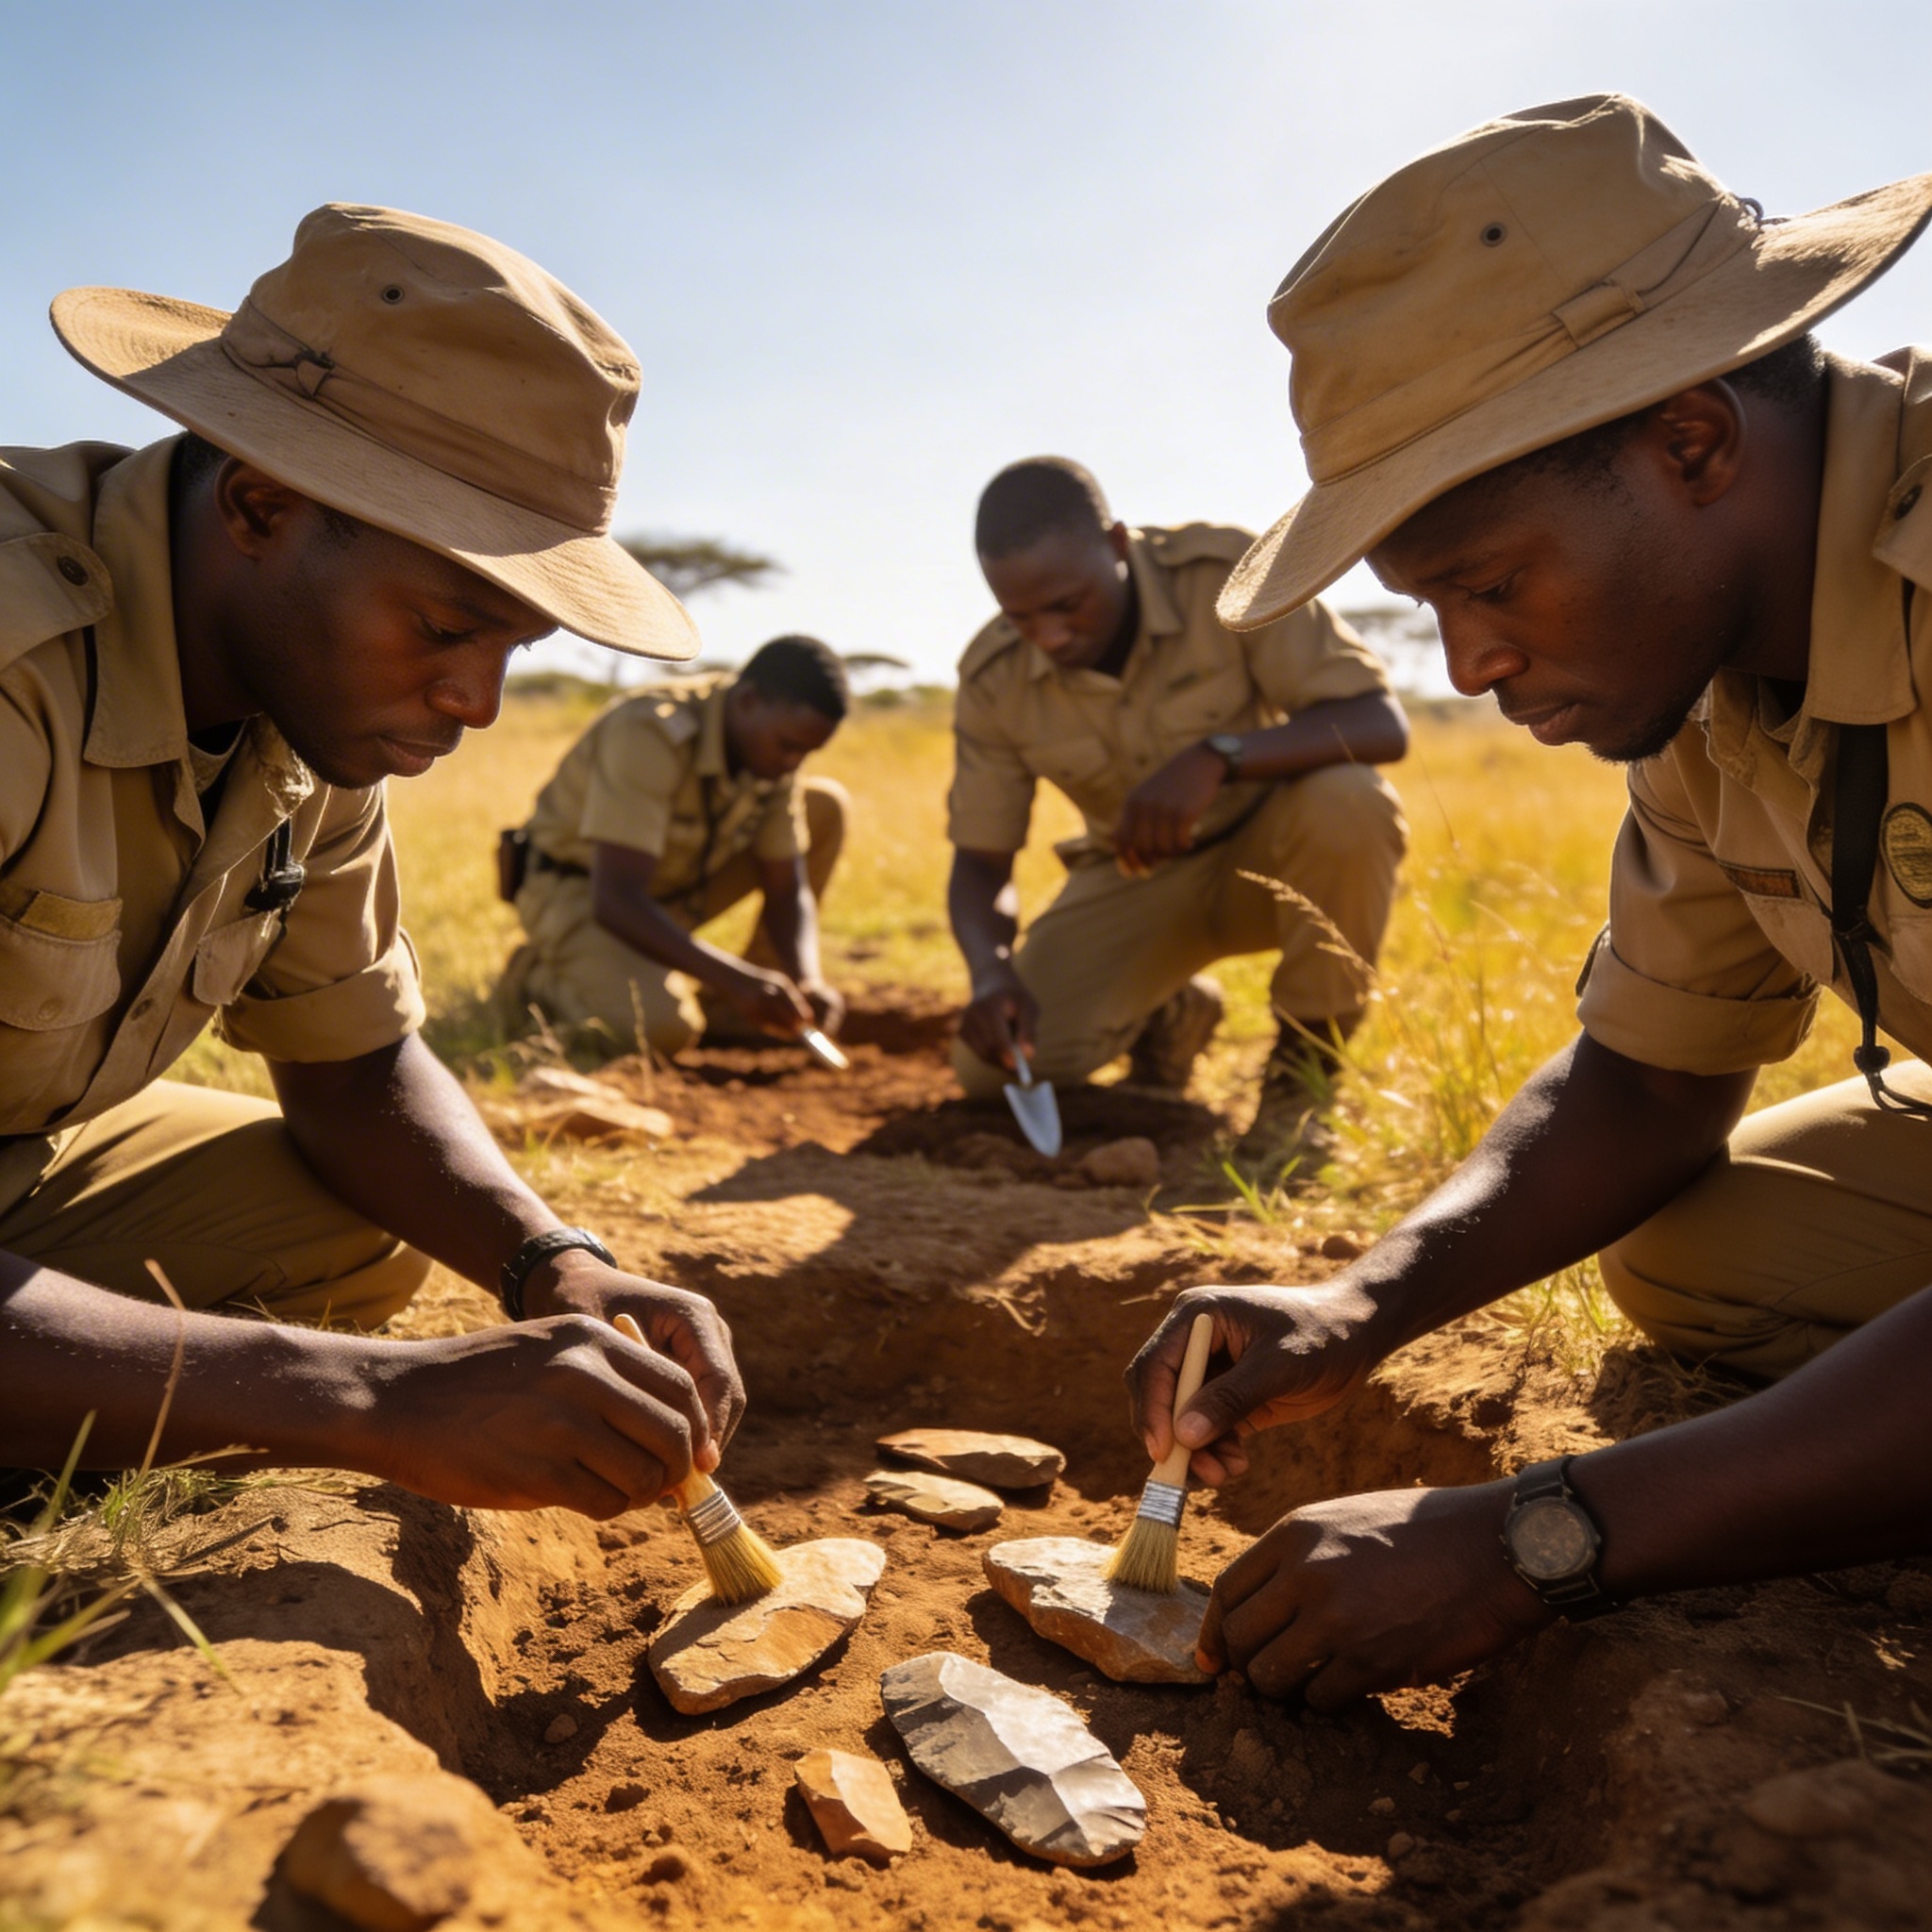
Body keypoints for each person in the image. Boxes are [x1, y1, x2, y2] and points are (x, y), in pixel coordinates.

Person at [1125, 93, 1932, 1709]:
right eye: (1429, 607)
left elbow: (1540, 1533)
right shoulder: (1710, 675)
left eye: (1488, 585)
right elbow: (1649, 1070)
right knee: (1705, 1252)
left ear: (1690, 440)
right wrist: (1357, 1302)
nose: (1468, 666)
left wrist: (1536, 1530)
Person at [0, 203, 747, 1520]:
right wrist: (367, 1399)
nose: (476, 702)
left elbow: (353, 1067)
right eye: (447, 626)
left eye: (512, 648)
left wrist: (546, 1261)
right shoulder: (15, 661)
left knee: (338, 1236)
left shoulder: (315, 703)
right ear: (260, 503)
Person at [946, 458, 1409, 1165]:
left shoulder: (1222, 575)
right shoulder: (992, 679)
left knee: (1352, 800)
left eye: (1068, 605)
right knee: (994, 1070)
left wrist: (1218, 754)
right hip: (1136, 879)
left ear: (1117, 545)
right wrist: (990, 971)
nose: (1047, 635)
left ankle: (1299, 1083)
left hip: (1277, 861)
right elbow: (981, 863)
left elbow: (1377, 723)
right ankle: (1170, 1010)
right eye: (1020, 616)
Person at [500, 635, 850, 1057]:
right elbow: (615, 898)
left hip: (668, 892)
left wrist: (806, 980)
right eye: (789, 747)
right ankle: (535, 979)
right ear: (749, 701)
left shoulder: (770, 747)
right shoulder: (649, 729)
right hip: (579, 893)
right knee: (662, 1030)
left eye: (806, 752)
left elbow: (786, 886)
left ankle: (752, 1003)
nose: (794, 763)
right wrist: (734, 978)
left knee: (825, 806)